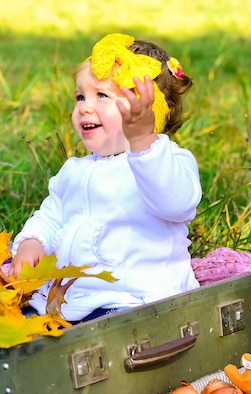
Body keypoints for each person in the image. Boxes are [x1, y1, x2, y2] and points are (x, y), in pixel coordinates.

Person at [11, 33, 202, 322]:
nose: (84, 107)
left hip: (137, 301)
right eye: (80, 96)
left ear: (148, 112)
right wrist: (33, 241)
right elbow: (52, 216)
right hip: (67, 300)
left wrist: (143, 143)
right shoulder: (75, 169)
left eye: (102, 96)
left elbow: (176, 204)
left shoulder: (167, 162)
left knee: (106, 337)